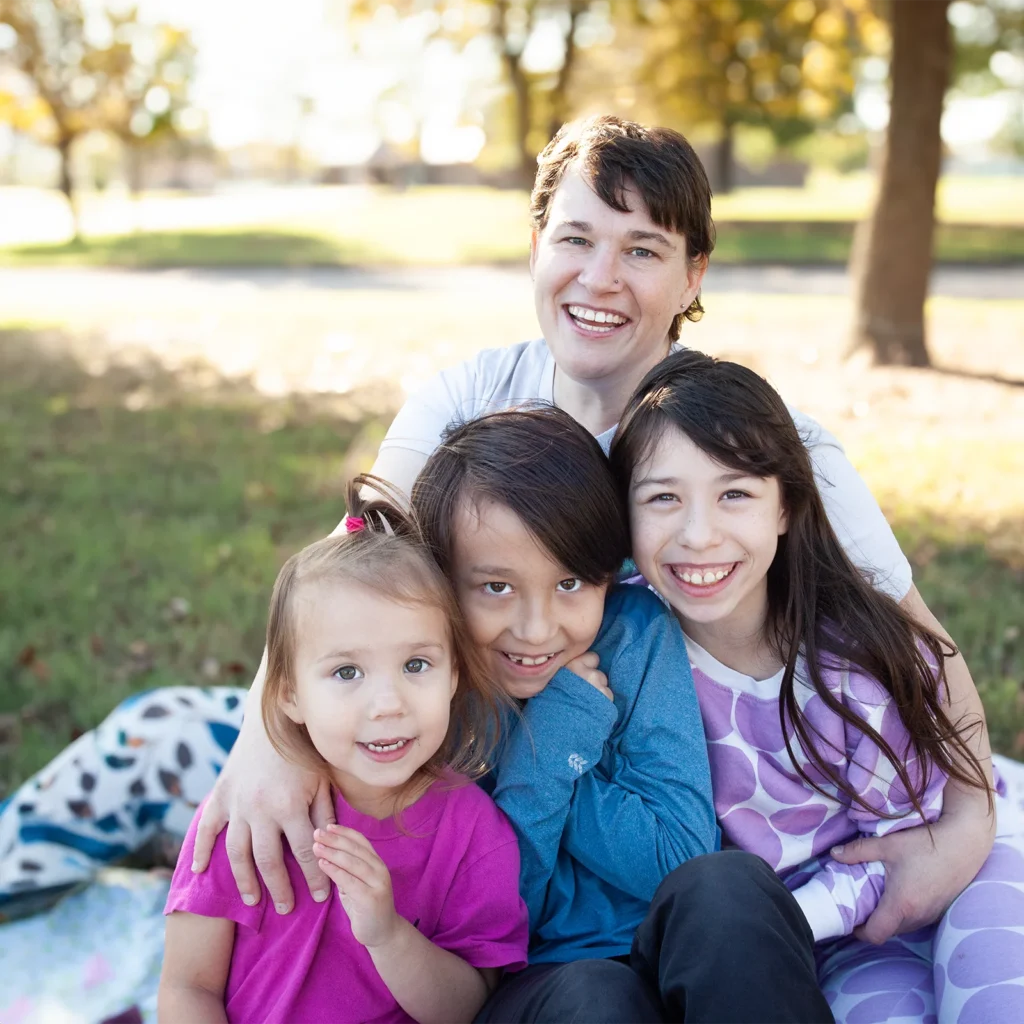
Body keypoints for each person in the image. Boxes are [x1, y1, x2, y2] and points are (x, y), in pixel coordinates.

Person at [190, 115, 995, 946]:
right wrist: (263, 743)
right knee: (207, 776)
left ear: (694, 275)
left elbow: (921, 642)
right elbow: (347, 574)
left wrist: (968, 822)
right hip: (466, 774)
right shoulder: (466, 402)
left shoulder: (763, 450)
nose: (600, 278)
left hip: (675, 816)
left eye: (643, 249)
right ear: (536, 243)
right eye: (577, 238)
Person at [610, 348, 1024, 1023]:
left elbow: (906, 848)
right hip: (842, 940)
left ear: (785, 507)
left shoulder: (843, 667)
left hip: (956, 864)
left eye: (735, 493)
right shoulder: (631, 650)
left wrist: (778, 920)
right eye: (662, 498)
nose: (698, 534)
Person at [409, 405, 833, 1023]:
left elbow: (680, 855)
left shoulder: (632, 636)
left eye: (571, 583)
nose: (535, 629)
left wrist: (565, 764)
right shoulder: (428, 686)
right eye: (496, 588)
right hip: (533, 985)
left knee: (727, 887)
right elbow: (496, 923)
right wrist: (547, 752)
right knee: (597, 997)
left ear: (611, 575)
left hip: (666, 952)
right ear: (443, 582)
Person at [157, 481, 529, 1024]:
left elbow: (469, 1009)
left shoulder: (473, 833)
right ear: (287, 693)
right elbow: (188, 989)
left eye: (416, 665)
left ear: (454, 673)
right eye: (347, 672)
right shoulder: (249, 816)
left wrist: (388, 935)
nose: (387, 704)